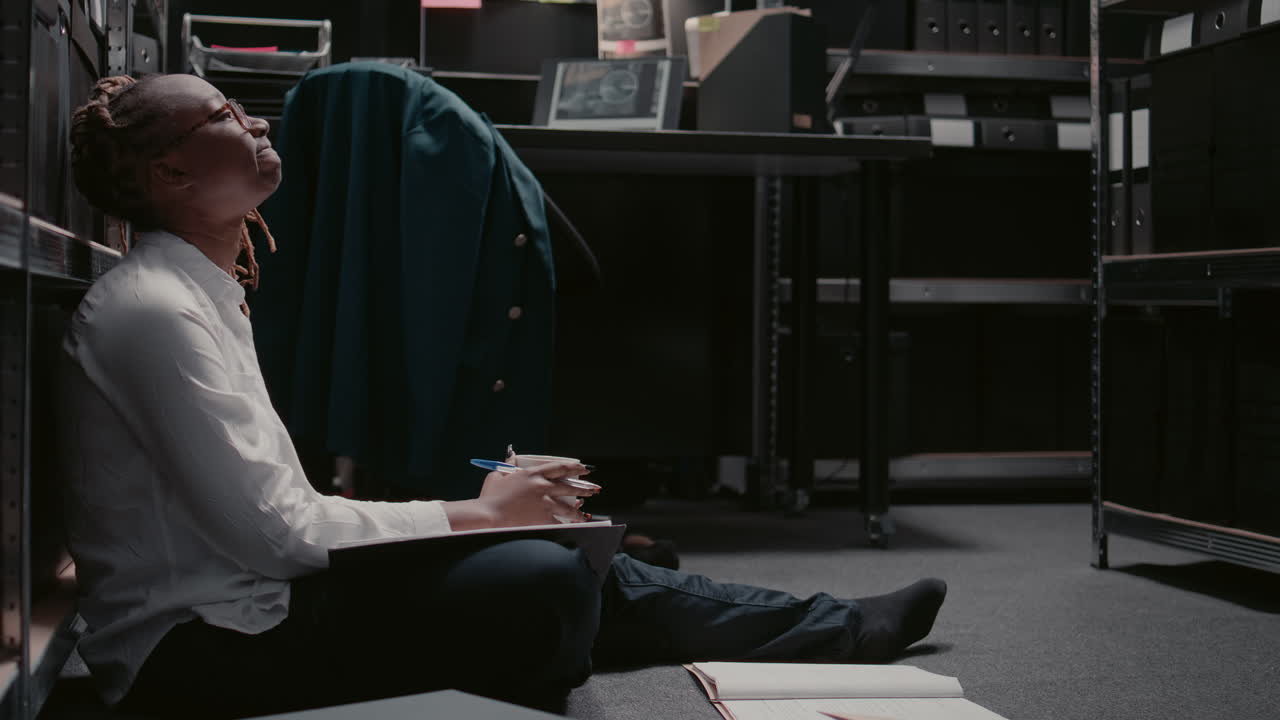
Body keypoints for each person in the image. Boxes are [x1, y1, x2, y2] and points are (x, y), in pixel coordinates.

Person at [61, 72, 948, 719]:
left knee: (560, 559)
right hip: (203, 656)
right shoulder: (156, 312)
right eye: (221, 114)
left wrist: (491, 516)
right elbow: (282, 532)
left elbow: (279, 522)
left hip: (260, 597)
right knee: (539, 578)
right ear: (172, 178)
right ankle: (584, 634)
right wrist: (476, 516)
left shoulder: (198, 290)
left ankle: (835, 626)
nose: (252, 116)